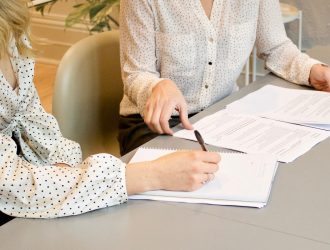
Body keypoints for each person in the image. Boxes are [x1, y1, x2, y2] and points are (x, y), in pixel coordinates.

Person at [0, 0, 220, 224]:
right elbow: (12, 184)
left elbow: (31, 116)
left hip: (35, 183)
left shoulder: (11, 21)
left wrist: (63, 167)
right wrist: (153, 174)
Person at [118, 0, 330, 155]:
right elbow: (136, 74)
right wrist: (157, 87)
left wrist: (313, 72)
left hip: (222, 118)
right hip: (154, 125)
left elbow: (276, 47)